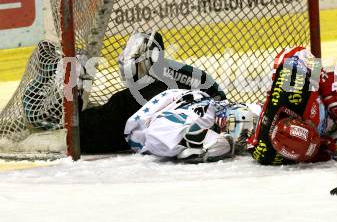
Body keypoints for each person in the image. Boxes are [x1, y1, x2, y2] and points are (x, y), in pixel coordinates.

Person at [22, 32, 228, 154]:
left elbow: (216, 97)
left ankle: (66, 96)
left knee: (76, 131)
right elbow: (217, 96)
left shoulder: (126, 103)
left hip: (136, 118)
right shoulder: (170, 77)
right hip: (144, 114)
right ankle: (67, 96)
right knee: (78, 127)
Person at [124, 88, 259, 163]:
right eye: (231, 123)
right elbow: (156, 134)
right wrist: (205, 140)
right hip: (128, 111)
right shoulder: (205, 114)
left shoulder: (212, 108)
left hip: (145, 105)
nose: (225, 125)